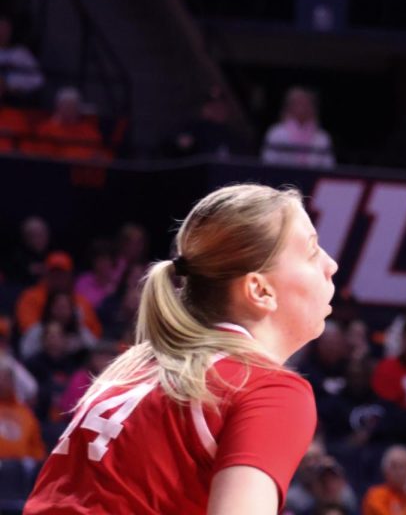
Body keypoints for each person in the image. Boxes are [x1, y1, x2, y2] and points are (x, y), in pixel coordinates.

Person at [25, 183, 338, 514]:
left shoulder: (139, 365)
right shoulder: (265, 388)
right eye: (313, 251)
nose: (330, 265)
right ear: (260, 290)